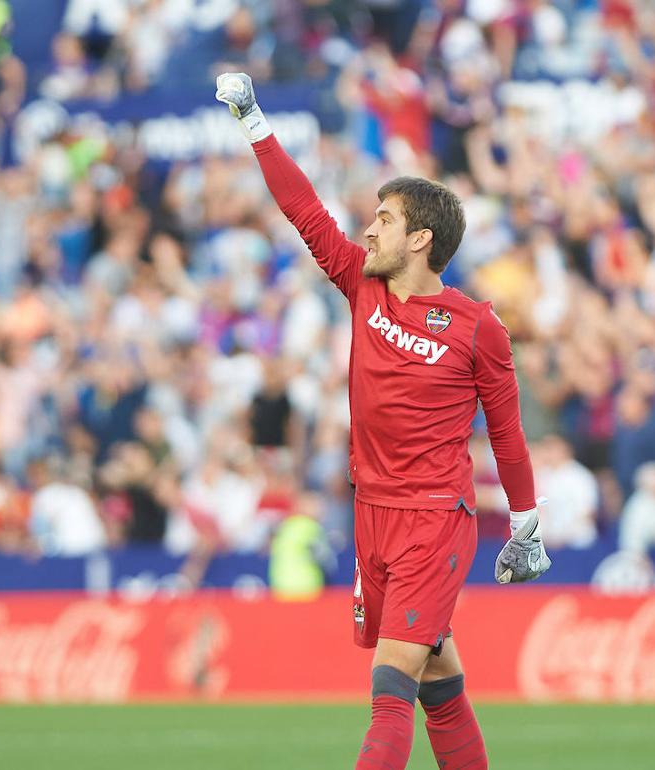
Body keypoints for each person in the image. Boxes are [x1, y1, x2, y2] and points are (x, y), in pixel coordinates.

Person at [216, 72, 551, 770]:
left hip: (434, 517)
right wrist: (253, 120)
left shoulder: (478, 326)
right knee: (439, 685)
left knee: (390, 686)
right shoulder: (361, 286)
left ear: (421, 238)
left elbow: (508, 431)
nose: (368, 228)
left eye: (386, 219)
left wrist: (525, 524)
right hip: (372, 513)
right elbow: (303, 210)